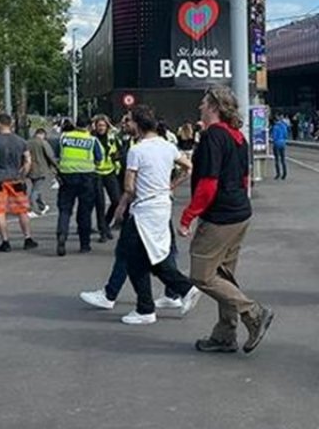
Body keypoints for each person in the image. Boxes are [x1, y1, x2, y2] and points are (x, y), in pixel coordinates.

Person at [84, 106, 202, 325]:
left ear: (138, 125)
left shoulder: (137, 151)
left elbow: (129, 186)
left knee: (130, 255)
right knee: (150, 255)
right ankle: (168, 295)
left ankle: (156, 302)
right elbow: (188, 166)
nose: (126, 125)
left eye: (129, 121)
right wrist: (169, 185)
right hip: (162, 205)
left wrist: (121, 206)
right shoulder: (168, 146)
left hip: (143, 209)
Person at [179, 86, 273, 354]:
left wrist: (188, 217)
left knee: (202, 274)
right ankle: (225, 333)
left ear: (214, 107)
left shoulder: (212, 137)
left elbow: (208, 184)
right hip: (239, 212)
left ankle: (253, 313)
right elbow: (244, 179)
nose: (199, 107)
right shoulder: (238, 137)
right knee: (225, 275)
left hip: (220, 216)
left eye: (203, 103)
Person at [0, 114, 37, 252]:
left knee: (0, 211)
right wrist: (23, 174)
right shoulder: (21, 141)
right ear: (11, 124)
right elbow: (28, 161)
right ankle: (28, 238)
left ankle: (5, 241)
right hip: (16, 179)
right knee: (22, 210)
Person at [56, 117, 105, 256]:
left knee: (65, 210)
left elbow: (57, 155)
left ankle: (62, 235)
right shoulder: (92, 140)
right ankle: (85, 244)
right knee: (85, 212)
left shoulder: (64, 137)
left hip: (67, 176)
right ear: (89, 126)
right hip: (86, 177)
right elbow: (99, 158)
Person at [92, 116, 123, 243]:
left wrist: (117, 157)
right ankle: (103, 231)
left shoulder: (112, 138)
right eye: (99, 125)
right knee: (100, 203)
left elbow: (120, 151)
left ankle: (105, 224)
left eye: (103, 126)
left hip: (110, 171)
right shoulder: (92, 139)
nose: (101, 128)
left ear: (107, 126)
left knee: (116, 200)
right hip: (96, 172)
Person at [27, 128, 57, 216]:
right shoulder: (43, 143)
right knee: (35, 191)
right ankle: (34, 209)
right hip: (41, 169)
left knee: (36, 188)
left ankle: (42, 206)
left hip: (31, 169)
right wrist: (56, 167)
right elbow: (50, 156)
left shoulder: (28, 142)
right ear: (42, 134)